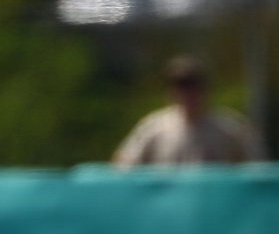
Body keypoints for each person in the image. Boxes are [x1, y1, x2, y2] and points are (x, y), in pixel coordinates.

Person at [112, 56, 265, 167]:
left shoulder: (231, 128)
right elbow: (124, 164)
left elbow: (258, 168)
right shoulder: (154, 127)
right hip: (169, 208)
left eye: (192, 84)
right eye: (180, 85)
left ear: (205, 87)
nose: (187, 92)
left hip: (215, 207)